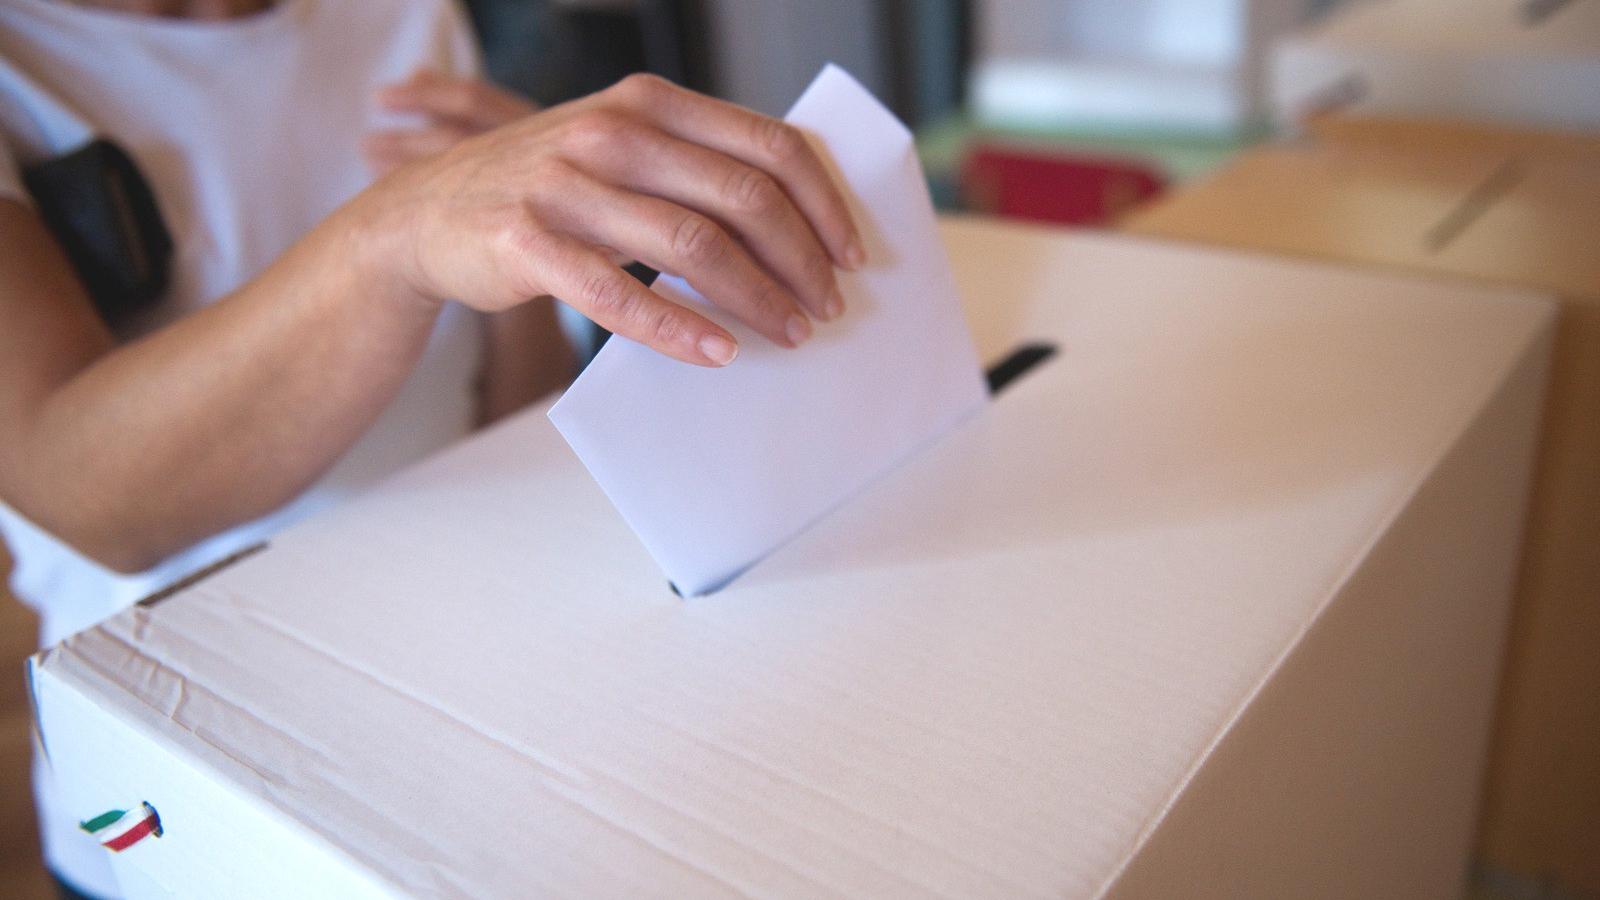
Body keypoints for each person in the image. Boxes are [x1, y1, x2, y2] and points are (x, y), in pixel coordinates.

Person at [0, 0, 862, 894]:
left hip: (467, 712)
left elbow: (504, 418)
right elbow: (76, 489)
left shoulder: (407, 14)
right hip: (183, 781)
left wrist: (527, 256)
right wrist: (395, 232)